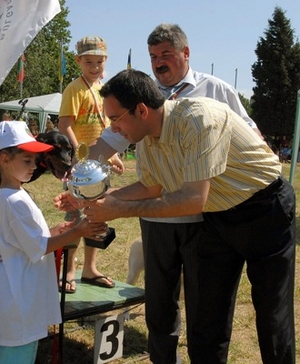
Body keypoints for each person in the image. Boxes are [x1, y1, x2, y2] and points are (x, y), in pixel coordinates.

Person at [56, 69, 296, 363]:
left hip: (266, 210)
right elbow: (150, 186)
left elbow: (193, 199)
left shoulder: (198, 118)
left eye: (115, 119)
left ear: (141, 110)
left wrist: (120, 209)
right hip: (217, 216)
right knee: (207, 315)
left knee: (272, 309)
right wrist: (96, 200)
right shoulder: (147, 138)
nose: (113, 129)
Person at [85, 23, 264, 363]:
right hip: (155, 215)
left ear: (186, 53)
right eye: (153, 56)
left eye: (166, 54)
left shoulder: (216, 89)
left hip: (205, 217)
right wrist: (81, 179)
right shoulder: (140, 96)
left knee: (203, 304)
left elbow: (252, 134)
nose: (158, 63)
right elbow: (107, 142)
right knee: (160, 300)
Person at [0, 121, 107, 364]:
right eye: (27, 161)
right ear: (4, 159)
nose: (34, 167)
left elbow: (24, 239)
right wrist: (77, 232)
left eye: (35, 160)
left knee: (22, 351)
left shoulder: (10, 195)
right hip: (21, 293)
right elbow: (39, 247)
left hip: (20, 289)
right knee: (18, 354)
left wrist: (54, 231)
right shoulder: (14, 200)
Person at [57, 35, 123, 293]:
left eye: (99, 61)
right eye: (89, 62)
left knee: (98, 215)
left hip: (100, 164)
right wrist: (81, 155)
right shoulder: (75, 88)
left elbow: (106, 126)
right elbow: (65, 125)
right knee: (74, 216)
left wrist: (114, 155)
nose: (95, 67)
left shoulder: (102, 89)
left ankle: (90, 267)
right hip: (80, 164)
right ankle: (70, 269)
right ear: (78, 61)